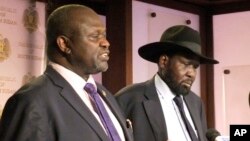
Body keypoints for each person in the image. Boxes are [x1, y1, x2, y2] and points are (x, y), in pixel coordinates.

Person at [0, 4, 133, 141]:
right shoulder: (32, 100)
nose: (106, 43)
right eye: (94, 36)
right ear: (64, 44)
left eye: (104, 35)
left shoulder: (104, 94)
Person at [116, 25, 219, 141]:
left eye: (195, 67)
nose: (192, 74)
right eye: (185, 64)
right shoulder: (129, 98)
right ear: (164, 61)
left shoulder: (196, 102)